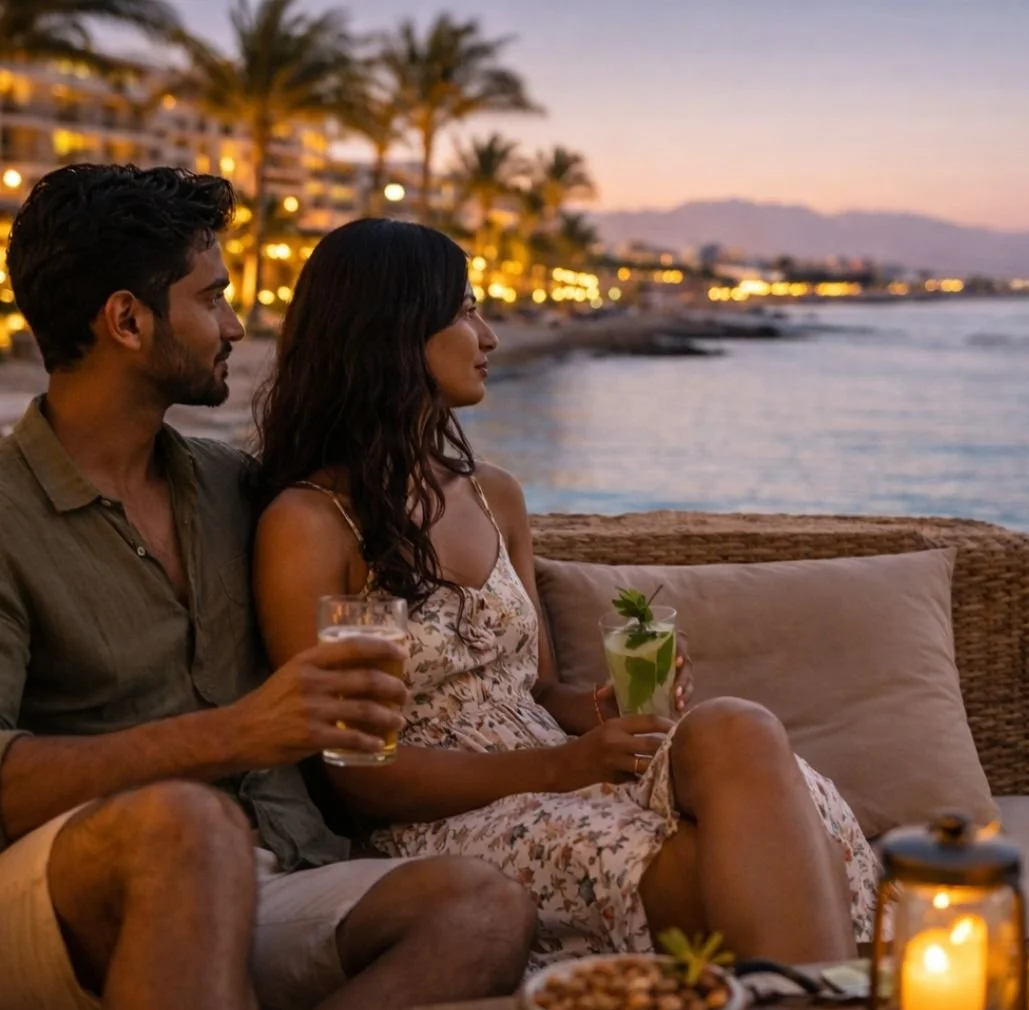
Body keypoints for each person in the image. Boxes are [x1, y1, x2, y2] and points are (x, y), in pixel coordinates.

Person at [0, 167, 537, 1010]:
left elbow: (378, 479)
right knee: (186, 825)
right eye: (212, 299)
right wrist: (242, 731)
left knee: (482, 905)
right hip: (59, 895)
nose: (240, 327)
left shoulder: (232, 490)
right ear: (127, 321)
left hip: (275, 869)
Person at [253, 217, 880, 969]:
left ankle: (819, 1004)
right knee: (717, 867)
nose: (488, 336)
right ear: (390, 330)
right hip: (445, 818)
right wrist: (565, 766)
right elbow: (362, 776)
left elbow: (539, 687)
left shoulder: (494, 498)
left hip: (560, 770)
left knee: (735, 727)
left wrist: (602, 714)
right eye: (464, 311)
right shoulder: (319, 526)